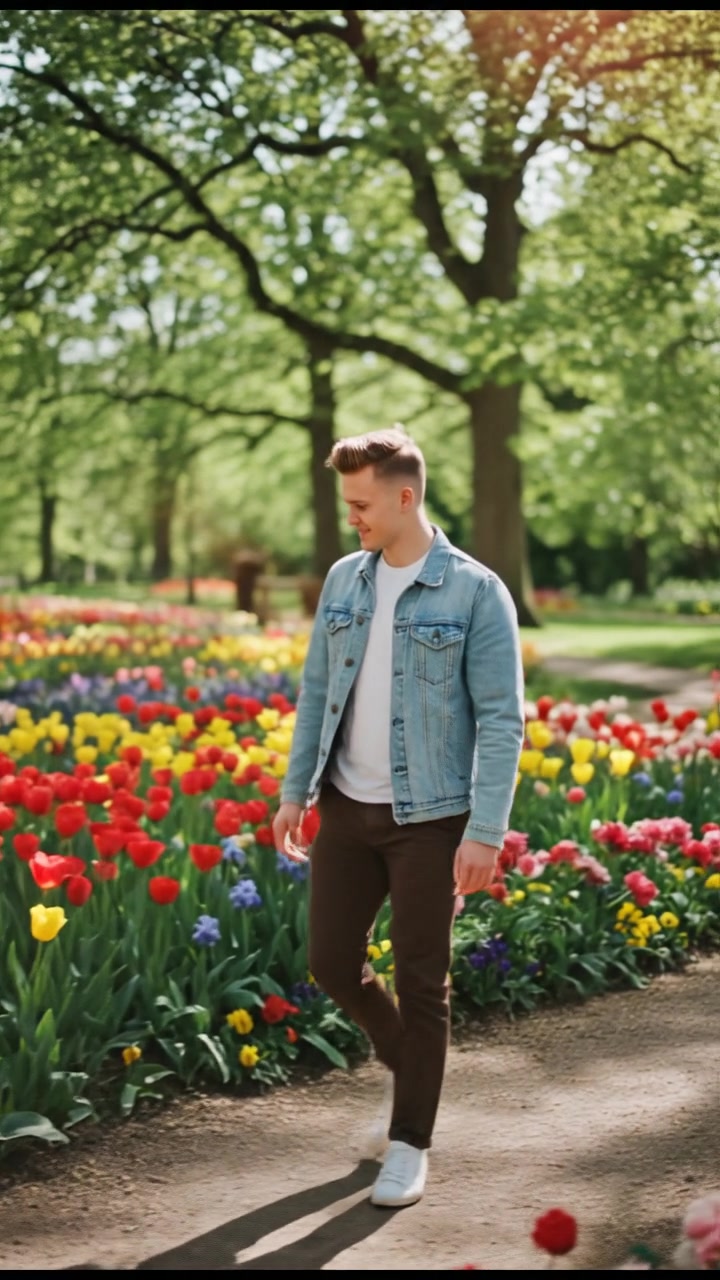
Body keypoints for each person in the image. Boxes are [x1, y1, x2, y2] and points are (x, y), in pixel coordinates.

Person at [272, 425, 524, 1209]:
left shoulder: (476, 591)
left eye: (362, 503)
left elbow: (502, 719)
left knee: (423, 984)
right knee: (330, 962)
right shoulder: (346, 580)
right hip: (347, 808)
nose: (353, 517)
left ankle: (410, 1143)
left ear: (405, 496)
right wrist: (294, 791)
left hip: (432, 819)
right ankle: (410, 1066)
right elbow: (317, 691)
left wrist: (485, 832)